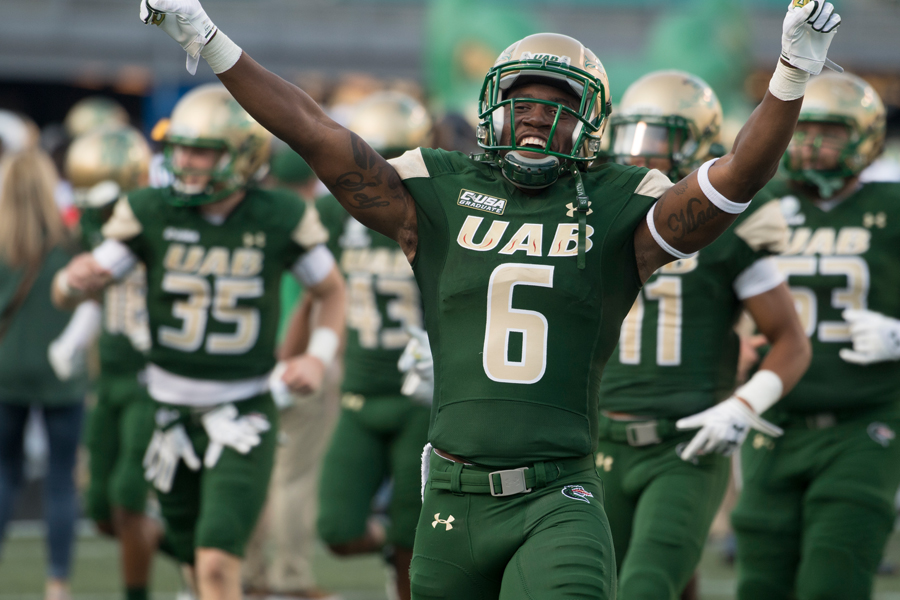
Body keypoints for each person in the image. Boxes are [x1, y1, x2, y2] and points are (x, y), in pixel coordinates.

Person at [139, 0, 840, 596]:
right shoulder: (438, 191)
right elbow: (314, 132)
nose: (537, 119)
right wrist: (211, 40)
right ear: (492, 109)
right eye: (523, 102)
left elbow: (733, 181)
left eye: (559, 106)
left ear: (590, 123)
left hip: (557, 494)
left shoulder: (617, 203)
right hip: (451, 496)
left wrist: (789, 75)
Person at [51, 84, 346, 600]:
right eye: (179, 148)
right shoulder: (151, 210)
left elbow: (330, 290)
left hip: (242, 412)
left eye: (202, 150)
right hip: (168, 413)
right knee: (189, 555)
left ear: (244, 155)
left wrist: (318, 359)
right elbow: (85, 283)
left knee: (214, 564)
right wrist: (69, 282)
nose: (184, 161)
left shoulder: (277, 215)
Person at [595, 70, 811, 600]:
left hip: (686, 440)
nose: (638, 155)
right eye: (629, 135)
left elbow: (790, 340)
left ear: (695, 143)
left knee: (644, 587)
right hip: (598, 439)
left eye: (657, 139)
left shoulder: (731, 222)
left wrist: (743, 405)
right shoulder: (594, 208)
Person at [732, 71, 900, 600]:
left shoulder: (893, 207)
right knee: (760, 580)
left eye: (829, 132)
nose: (811, 145)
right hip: (771, 419)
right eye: (803, 131)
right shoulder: (757, 201)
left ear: (868, 137)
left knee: (834, 578)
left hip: (863, 421)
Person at [314, 90, 432, 600]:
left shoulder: (437, 210)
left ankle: (400, 559)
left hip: (421, 397)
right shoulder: (334, 214)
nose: (374, 176)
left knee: (416, 542)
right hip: (359, 392)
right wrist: (305, 353)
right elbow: (319, 287)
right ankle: (388, 547)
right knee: (337, 530)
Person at [56, 126, 162, 600]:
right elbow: (94, 291)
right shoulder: (98, 220)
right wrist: (73, 338)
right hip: (111, 374)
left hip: (150, 375)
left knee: (128, 499)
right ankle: (190, 551)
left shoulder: (155, 215)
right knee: (100, 509)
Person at [241, 143, 342, 600]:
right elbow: (311, 298)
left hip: (246, 364)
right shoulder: (307, 224)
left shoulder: (252, 217)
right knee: (293, 477)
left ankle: (246, 571)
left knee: (248, 473)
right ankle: (290, 575)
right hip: (297, 360)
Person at [0, 148, 88, 600]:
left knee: (3, 473)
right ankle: (58, 582)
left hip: (6, 370)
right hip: (61, 371)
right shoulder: (72, 237)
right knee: (59, 478)